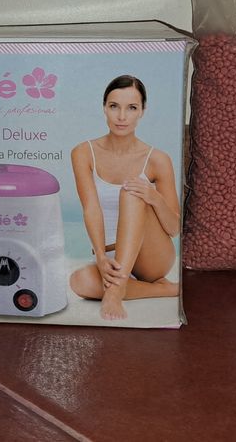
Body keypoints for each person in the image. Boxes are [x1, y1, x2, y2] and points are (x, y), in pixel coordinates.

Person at [69, 75, 181, 320]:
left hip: (152, 258)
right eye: (114, 106)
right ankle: (165, 289)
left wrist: (153, 197)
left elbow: (174, 228)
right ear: (104, 108)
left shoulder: (158, 159)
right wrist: (100, 257)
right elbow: (91, 208)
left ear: (142, 111)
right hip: (111, 256)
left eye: (131, 108)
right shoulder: (83, 152)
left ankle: (115, 291)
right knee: (79, 281)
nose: (122, 116)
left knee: (132, 190)